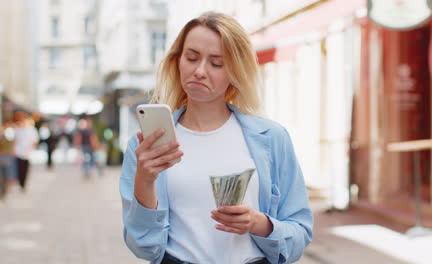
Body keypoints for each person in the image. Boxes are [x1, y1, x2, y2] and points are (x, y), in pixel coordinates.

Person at [120, 12, 313, 264]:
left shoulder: (271, 138)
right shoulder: (145, 146)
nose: (200, 71)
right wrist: (144, 182)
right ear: (177, 61)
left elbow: (300, 233)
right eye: (191, 58)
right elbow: (143, 247)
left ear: (235, 71)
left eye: (216, 63)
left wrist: (259, 223)